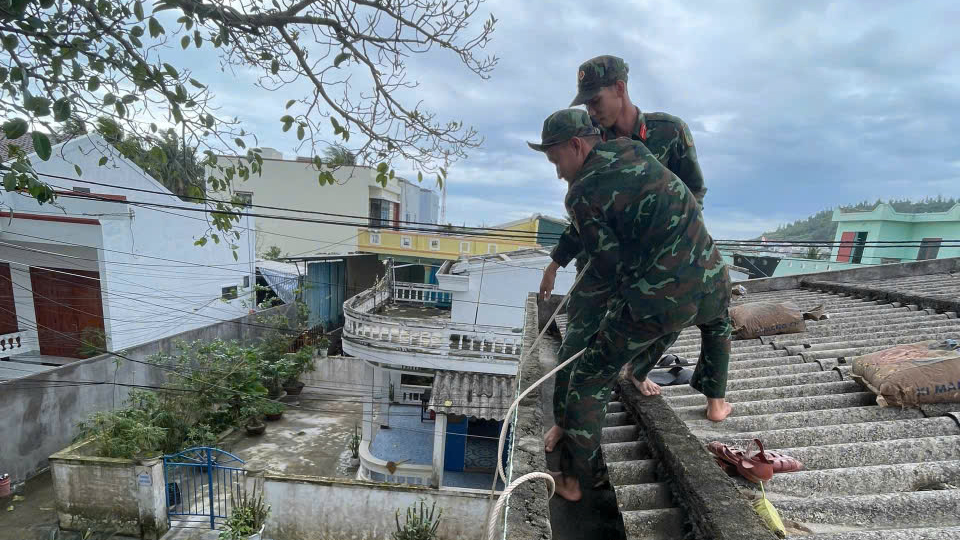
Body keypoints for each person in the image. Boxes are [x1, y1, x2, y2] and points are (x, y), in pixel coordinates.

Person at [529, 109, 733, 502]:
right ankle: (716, 405)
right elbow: (687, 195)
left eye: (556, 161)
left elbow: (607, 266)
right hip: (712, 278)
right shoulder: (633, 149)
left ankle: (571, 481)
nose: (558, 173)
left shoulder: (582, 192)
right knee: (715, 324)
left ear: (576, 145)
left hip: (658, 296)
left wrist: (611, 315)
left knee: (590, 375)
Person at [542, 54, 707, 453]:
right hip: (601, 265)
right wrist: (557, 260)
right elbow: (582, 216)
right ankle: (567, 424)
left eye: (596, 101)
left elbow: (693, 193)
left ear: (620, 89)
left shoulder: (670, 132)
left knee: (673, 313)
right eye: (586, 105)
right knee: (577, 340)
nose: (592, 111)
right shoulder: (594, 142)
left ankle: (638, 372)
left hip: (652, 267)